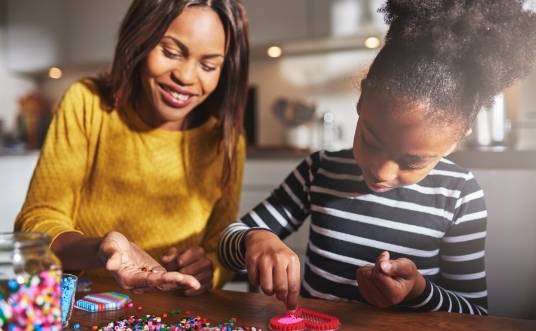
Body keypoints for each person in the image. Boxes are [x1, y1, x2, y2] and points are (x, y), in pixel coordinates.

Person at [219, 0, 536, 314]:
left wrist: (418, 291)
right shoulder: (319, 171)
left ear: (458, 139)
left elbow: (474, 312)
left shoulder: (459, 197)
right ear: (362, 101)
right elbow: (226, 243)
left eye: (412, 162)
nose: (383, 171)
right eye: (371, 141)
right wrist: (255, 239)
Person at [15, 0, 249, 295]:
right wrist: (101, 249)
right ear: (140, 39)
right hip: (86, 303)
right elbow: (36, 224)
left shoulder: (226, 141)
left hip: (174, 314)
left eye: (208, 65)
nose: (187, 78)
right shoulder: (87, 103)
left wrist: (209, 270)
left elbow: (221, 248)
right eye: (171, 52)